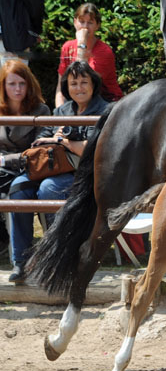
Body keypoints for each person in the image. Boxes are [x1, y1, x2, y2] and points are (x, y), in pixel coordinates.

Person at [8, 62, 108, 284]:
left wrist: (63, 140)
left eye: (84, 82)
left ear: (94, 84)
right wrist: (62, 141)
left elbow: (94, 151)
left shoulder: (104, 110)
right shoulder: (62, 111)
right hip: (52, 167)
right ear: (66, 86)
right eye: (73, 83)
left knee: (49, 189)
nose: (79, 87)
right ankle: (21, 262)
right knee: (18, 188)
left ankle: (58, 256)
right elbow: (41, 139)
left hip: (86, 175)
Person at [0, 60, 49, 256]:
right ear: (3, 86)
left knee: (18, 191)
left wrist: (5, 159)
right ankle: (3, 238)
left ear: (29, 84)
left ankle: (20, 257)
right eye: (12, 84)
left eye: (22, 83)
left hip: (28, 170)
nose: (17, 89)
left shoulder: (40, 110)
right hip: (3, 171)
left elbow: (37, 152)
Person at [55, 3, 123, 107]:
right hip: (76, 103)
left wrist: (82, 43)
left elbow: (85, 83)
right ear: (75, 22)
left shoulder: (104, 51)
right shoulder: (67, 47)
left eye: (90, 23)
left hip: (106, 102)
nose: (85, 27)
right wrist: (60, 114)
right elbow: (60, 87)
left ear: (97, 25)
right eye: (82, 22)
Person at [0, 0, 44, 66]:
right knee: (17, 73)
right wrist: (35, 31)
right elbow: (35, 5)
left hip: (12, 35)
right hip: (16, 36)